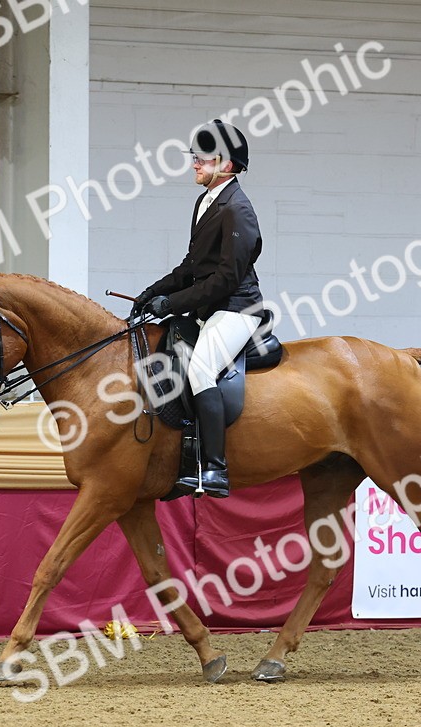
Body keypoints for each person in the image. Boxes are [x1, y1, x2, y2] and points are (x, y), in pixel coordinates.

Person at [132, 119, 266, 499]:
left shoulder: (238, 210)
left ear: (226, 165)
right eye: (195, 156)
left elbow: (225, 279)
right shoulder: (206, 201)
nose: (194, 163)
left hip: (237, 309)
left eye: (201, 158)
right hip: (211, 308)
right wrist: (151, 295)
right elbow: (191, 267)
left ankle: (215, 469)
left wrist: (171, 303)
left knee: (201, 369)